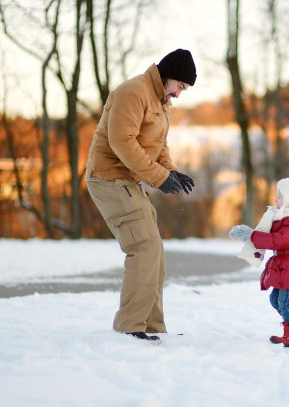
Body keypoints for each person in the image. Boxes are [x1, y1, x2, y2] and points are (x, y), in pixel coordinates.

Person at [85, 49, 197, 342]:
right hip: (108, 177)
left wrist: (171, 171)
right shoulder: (133, 92)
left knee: (154, 250)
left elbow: (158, 147)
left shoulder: (161, 101)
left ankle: (151, 326)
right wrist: (160, 178)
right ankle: (130, 325)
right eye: (180, 86)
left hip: (127, 180)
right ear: (168, 74)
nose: (180, 94)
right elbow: (121, 142)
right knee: (144, 245)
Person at [229, 175, 289, 347]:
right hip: (286, 265)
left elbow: (277, 240)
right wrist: (251, 234)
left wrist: (252, 236)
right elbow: (271, 235)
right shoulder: (284, 217)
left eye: (280, 197)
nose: (276, 200)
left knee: (285, 301)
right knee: (275, 300)